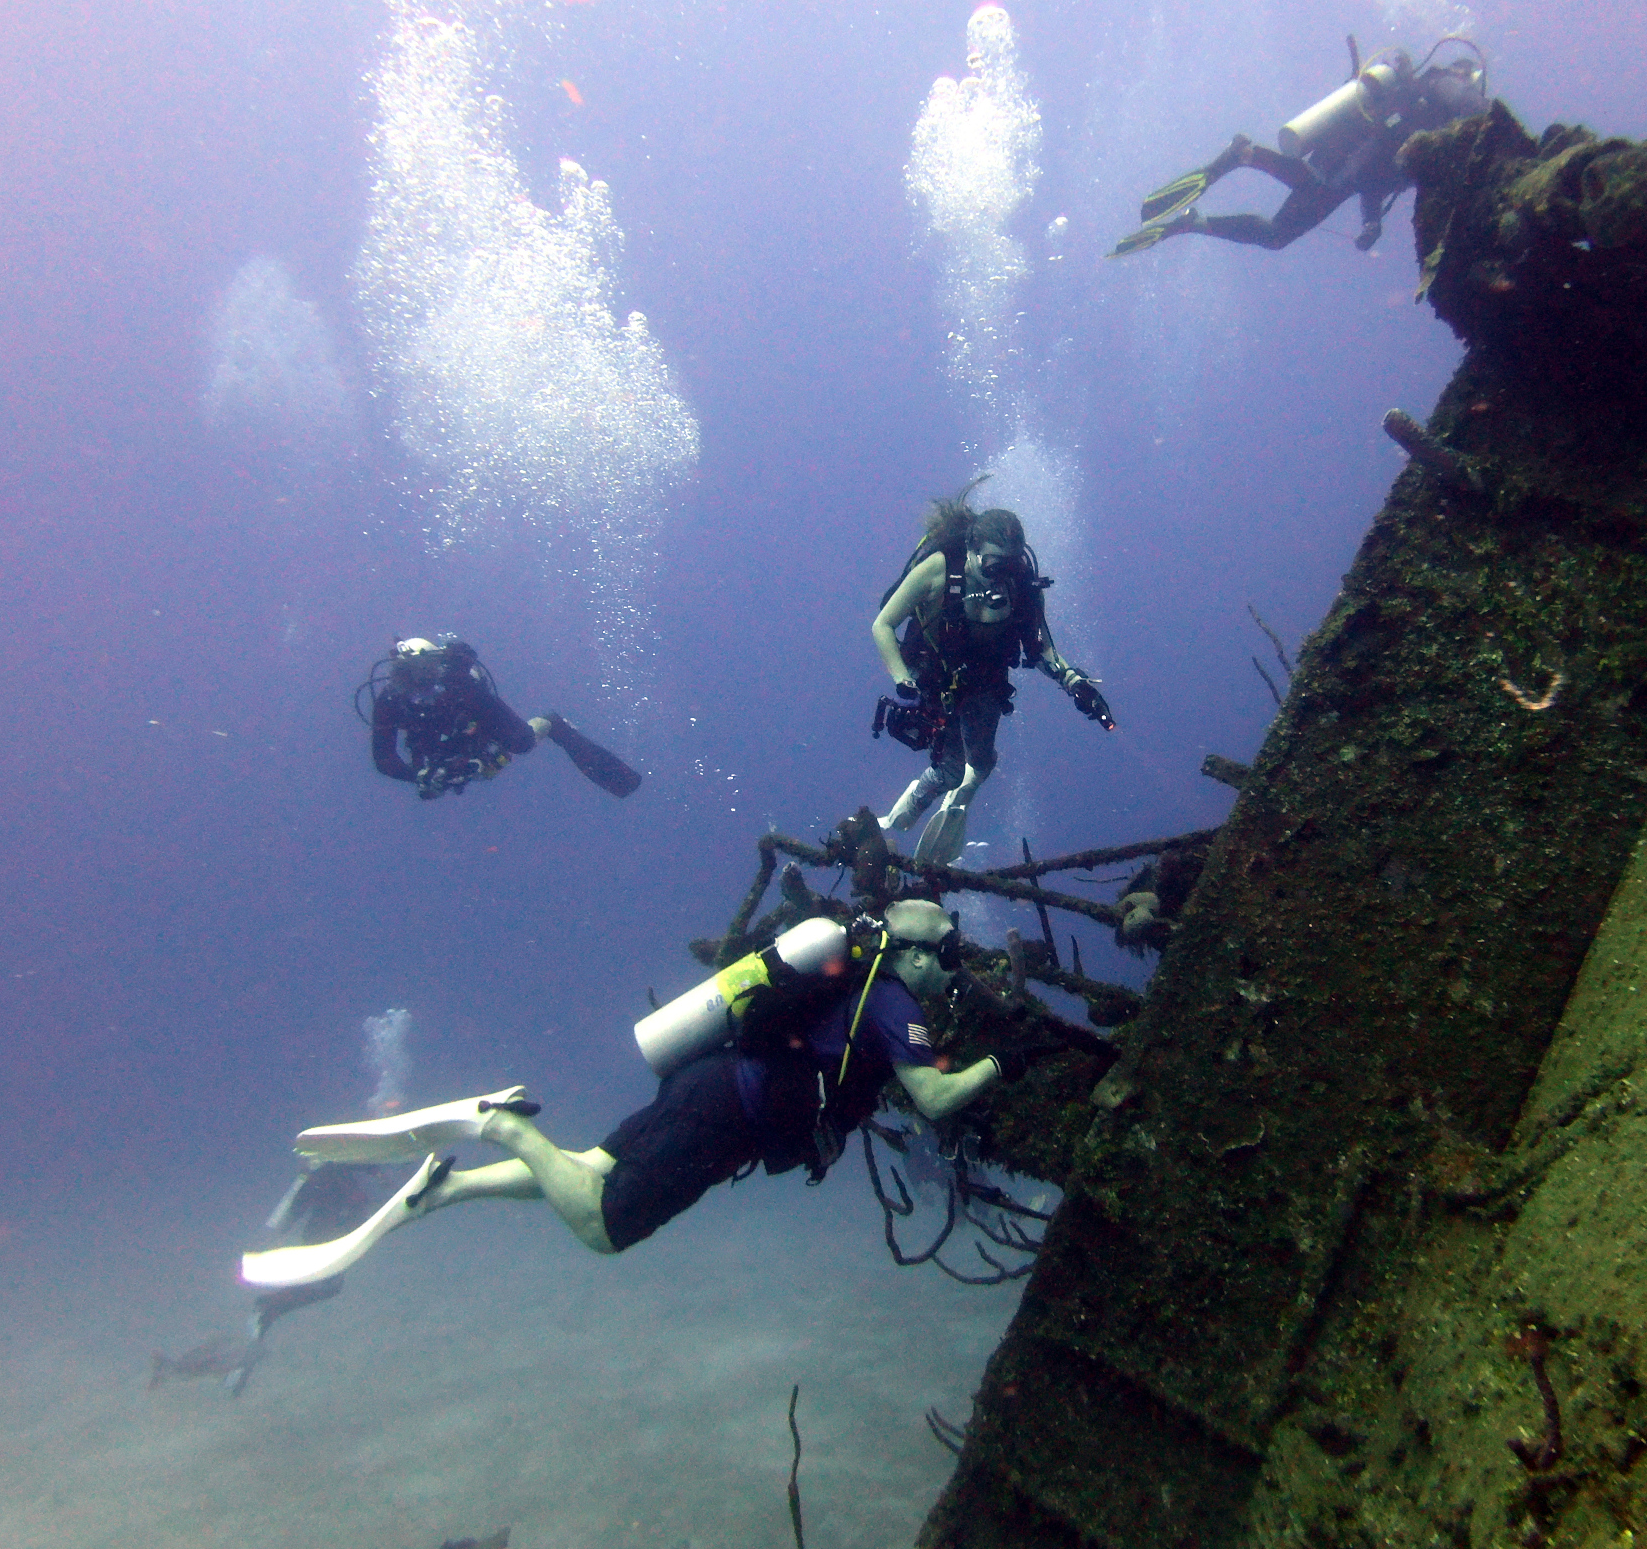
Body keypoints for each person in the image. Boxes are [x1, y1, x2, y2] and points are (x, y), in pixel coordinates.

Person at [240, 901, 1031, 1276]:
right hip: (728, 1119)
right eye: (946, 955)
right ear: (916, 952)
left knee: (591, 1165)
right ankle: (500, 1126)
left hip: (709, 1085)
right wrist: (1005, 1062)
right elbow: (930, 1100)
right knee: (604, 1226)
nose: (948, 971)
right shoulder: (896, 1002)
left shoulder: (849, 979)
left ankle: (447, 1189)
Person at [870, 489, 1114, 867]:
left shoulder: (1020, 581)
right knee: (951, 769)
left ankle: (958, 800)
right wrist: (903, 680)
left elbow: (1042, 646)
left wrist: (1073, 682)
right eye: (993, 564)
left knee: (981, 762)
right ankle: (920, 797)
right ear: (971, 549)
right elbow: (883, 624)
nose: (1002, 575)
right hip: (935, 676)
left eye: (1010, 565)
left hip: (986, 679)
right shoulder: (937, 569)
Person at [1110, 39, 1487, 257]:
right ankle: (1245, 157)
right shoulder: (1443, 87)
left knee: (1277, 235)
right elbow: (1473, 109)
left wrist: (1371, 220)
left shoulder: (1423, 111)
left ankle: (1199, 216)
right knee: (1299, 207)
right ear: (1467, 74)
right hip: (1339, 175)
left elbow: (1378, 182)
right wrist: (1491, 126)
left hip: (1340, 176)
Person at [363, 634, 641, 800]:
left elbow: (500, 724)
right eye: (408, 675)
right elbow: (384, 759)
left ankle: (553, 724)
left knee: (522, 742)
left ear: (437, 666)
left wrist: (484, 752)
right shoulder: (390, 701)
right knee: (432, 786)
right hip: (436, 744)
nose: (420, 683)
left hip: (473, 721)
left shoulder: (460, 685)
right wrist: (419, 775)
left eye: (425, 671)